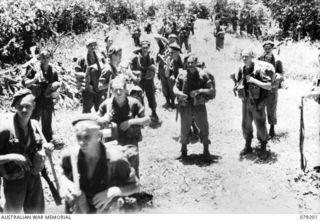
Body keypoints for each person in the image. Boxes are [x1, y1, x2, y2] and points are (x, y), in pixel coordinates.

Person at [57, 114, 140, 214]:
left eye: (86, 137)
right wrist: (65, 183)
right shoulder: (71, 156)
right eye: (78, 137)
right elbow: (61, 170)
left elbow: (136, 186)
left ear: (98, 136)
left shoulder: (115, 159)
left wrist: (114, 191)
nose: (81, 142)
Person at [0, 89, 54, 213]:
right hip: (14, 180)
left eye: (27, 106)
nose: (24, 110)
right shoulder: (5, 129)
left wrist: (48, 148)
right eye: (20, 106)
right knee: (13, 214)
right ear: (15, 106)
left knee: (36, 213)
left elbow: (44, 146)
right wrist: (13, 156)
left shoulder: (35, 125)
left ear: (34, 106)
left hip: (34, 177)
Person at [98, 77, 150, 177]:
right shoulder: (106, 105)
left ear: (126, 90)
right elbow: (94, 123)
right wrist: (104, 119)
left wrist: (130, 122)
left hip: (130, 143)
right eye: (115, 89)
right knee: (114, 172)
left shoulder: (134, 103)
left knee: (132, 171)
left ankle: (134, 191)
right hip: (112, 144)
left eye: (121, 89)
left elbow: (147, 120)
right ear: (111, 91)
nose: (118, 92)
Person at [234, 49, 274, 160]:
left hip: (258, 102)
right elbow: (238, 82)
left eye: (247, 56)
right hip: (246, 101)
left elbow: (269, 86)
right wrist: (238, 86)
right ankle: (248, 145)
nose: (244, 58)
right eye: (243, 56)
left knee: (260, 124)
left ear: (252, 57)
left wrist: (253, 80)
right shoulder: (241, 69)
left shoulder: (258, 70)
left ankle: (263, 147)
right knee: (245, 124)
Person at [173, 55, 215, 160]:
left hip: (199, 105)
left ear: (196, 63)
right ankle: (183, 151)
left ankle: (206, 151)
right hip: (185, 105)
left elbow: (211, 90)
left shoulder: (203, 75)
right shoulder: (182, 74)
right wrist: (179, 93)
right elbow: (175, 87)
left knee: (204, 127)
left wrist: (198, 91)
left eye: (192, 63)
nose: (190, 65)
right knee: (184, 127)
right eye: (188, 63)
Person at [22, 50, 60, 142]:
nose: (46, 60)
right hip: (35, 101)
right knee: (33, 123)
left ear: (50, 58)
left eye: (47, 57)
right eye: (43, 57)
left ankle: (47, 142)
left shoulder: (53, 71)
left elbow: (56, 85)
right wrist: (34, 79)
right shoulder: (33, 69)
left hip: (47, 101)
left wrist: (56, 96)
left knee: (47, 124)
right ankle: (32, 142)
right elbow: (25, 84)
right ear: (40, 58)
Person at [258, 40, 284, 137]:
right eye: (266, 48)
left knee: (271, 108)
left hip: (272, 88)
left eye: (269, 48)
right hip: (261, 87)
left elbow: (281, 73)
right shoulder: (259, 59)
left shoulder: (277, 60)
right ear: (263, 49)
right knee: (260, 107)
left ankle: (272, 128)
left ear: (272, 48)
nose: (267, 50)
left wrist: (276, 78)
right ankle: (262, 128)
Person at [129, 41, 160, 123]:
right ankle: (141, 117)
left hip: (149, 81)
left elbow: (154, 69)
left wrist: (152, 70)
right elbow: (129, 69)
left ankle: (154, 112)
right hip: (139, 82)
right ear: (141, 48)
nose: (145, 49)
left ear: (148, 48)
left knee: (151, 97)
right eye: (143, 47)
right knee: (139, 99)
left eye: (146, 47)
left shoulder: (151, 58)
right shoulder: (136, 58)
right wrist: (134, 76)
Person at [74, 39, 104, 113]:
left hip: (99, 88)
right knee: (87, 110)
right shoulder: (82, 58)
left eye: (94, 45)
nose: (93, 47)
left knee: (100, 110)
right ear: (87, 46)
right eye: (90, 45)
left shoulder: (100, 57)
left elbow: (104, 69)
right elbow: (76, 73)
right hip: (88, 89)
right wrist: (86, 75)